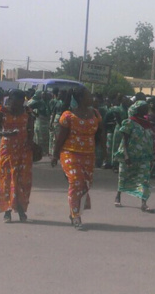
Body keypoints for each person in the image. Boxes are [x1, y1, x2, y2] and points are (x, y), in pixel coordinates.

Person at [52, 86, 103, 230]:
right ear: (80, 98)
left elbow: (99, 134)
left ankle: (73, 211)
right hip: (70, 153)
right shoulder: (68, 115)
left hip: (89, 154)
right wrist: (55, 155)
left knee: (85, 185)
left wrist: (103, 152)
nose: (91, 98)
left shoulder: (95, 114)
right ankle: (76, 216)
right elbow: (60, 138)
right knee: (76, 182)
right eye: (88, 96)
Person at [0, 90, 36, 223]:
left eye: (20, 102)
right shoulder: (2, 112)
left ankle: (21, 209)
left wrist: (31, 142)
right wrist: (6, 133)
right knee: (7, 179)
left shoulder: (28, 112)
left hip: (24, 150)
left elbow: (30, 130)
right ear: (10, 100)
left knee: (23, 181)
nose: (17, 106)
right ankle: (7, 211)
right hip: (7, 150)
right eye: (15, 102)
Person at [113, 100, 155, 212]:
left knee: (144, 179)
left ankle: (143, 202)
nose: (147, 109)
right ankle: (118, 195)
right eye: (144, 107)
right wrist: (126, 155)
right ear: (138, 109)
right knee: (124, 176)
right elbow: (125, 140)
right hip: (130, 155)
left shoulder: (147, 123)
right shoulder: (130, 122)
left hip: (144, 156)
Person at [103, 96, 130, 170]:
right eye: (126, 101)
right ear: (122, 101)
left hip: (125, 129)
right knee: (115, 146)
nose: (127, 102)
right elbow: (107, 118)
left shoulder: (128, 110)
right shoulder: (116, 109)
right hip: (119, 129)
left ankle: (119, 163)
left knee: (122, 146)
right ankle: (114, 163)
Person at [26, 90, 53, 156]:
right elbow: (28, 107)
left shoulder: (51, 102)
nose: (45, 96)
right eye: (43, 95)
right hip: (41, 120)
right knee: (40, 136)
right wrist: (35, 114)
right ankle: (40, 151)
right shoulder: (39, 102)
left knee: (47, 136)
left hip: (48, 120)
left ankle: (46, 151)